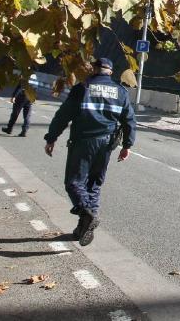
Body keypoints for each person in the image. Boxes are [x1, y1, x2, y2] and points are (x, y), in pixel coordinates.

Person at [44, 57, 136, 246]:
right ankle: (83, 227)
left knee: (74, 183)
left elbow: (63, 115)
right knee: (93, 185)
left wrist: (51, 137)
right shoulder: (121, 91)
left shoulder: (82, 87)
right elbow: (129, 120)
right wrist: (127, 145)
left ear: (93, 69)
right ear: (110, 72)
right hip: (107, 145)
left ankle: (88, 214)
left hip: (83, 142)